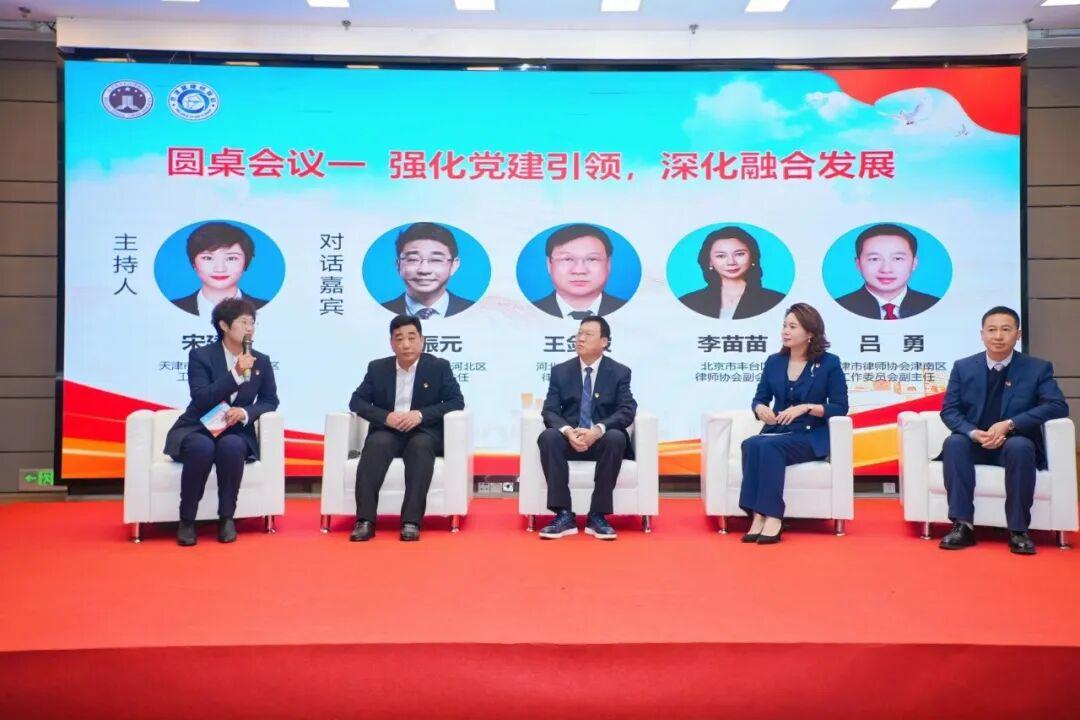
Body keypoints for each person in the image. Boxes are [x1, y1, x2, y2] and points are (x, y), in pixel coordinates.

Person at [937, 306, 1068, 555]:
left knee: (1020, 446)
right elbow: (950, 411)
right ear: (982, 334)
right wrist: (973, 433)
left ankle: (1018, 530)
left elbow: (1057, 405)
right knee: (954, 443)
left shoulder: (1037, 368)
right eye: (992, 330)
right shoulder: (963, 367)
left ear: (1018, 334)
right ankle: (962, 525)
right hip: (975, 442)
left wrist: (1010, 424)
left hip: (1014, 442)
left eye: (1006, 330)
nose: (998, 336)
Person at [163, 298, 279, 546]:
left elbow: (270, 400)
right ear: (224, 326)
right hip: (198, 426)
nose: (250, 328)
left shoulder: (261, 361)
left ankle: (227, 518)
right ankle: (187, 520)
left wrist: (245, 412)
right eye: (243, 322)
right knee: (201, 447)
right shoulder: (201, 356)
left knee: (232, 447)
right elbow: (201, 397)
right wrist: (235, 374)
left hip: (235, 430)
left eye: (253, 323)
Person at [348, 315, 465, 542]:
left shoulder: (438, 367)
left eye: (412, 337)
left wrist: (420, 415)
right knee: (376, 444)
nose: (406, 344)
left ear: (422, 340)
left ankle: (411, 522)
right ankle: (364, 521)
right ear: (391, 343)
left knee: (420, 447)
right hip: (387, 430)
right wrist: (386, 417)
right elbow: (356, 402)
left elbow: (456, 401)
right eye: (399, 338)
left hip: (423, 431)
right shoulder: (377, 368)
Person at [741, 303, 849, 544]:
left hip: (810, 435)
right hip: (778, 430)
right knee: (751, 444)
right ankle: (757, 515)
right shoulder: (774, 362)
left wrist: (807, 407)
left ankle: (773, 516)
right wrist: (760, 409)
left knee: (769, 446)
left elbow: (840, 406)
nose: (785, 331)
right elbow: (759, 398)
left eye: (792, 327)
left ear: (810, 333)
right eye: (784, 326)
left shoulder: (829, 363)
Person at [536, 316, 637, 540]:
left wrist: (598, 430)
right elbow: (550, 411)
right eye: (579, 333)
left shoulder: (619, 372)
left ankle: (598, 516)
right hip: (570, 440)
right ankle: (563, 515)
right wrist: (568, 432)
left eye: (588, 334)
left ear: (604, 342)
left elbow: (627, 410)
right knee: (548, 437)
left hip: (601, 442)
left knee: (616, 437)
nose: (580, 338)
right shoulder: (561, 372)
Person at [835, 223, 940, 320]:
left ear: (914, 263)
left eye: (897, 258)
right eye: (874, 259)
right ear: (858, 264)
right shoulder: (839, 307)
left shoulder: (935, 305)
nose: (886, 270)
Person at [677, 226, 786, 319]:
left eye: (739, 254)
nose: (731, 262)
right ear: (709, 261)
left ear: (752, 257)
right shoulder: (688, 302)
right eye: (721, 256)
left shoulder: (776, 300)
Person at [171, 222, 269, 317]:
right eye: (208, 258)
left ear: (246, 262)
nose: (220, 269)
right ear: (194, 263)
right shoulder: (172, 307)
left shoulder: (266, 308)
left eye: (231, 258)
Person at [531, 224, 628, 319]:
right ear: (549, 264)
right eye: (567, 259)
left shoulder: (630, 310)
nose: (579, 271)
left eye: (592, 259)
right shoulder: (529, 312)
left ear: (608, 263)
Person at [380, 222, 475, 319]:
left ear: (454, 266)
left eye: (436, 260)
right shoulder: (378, 312)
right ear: (398, 265)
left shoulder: (475, 311)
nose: (424, 270)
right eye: (413, 259)